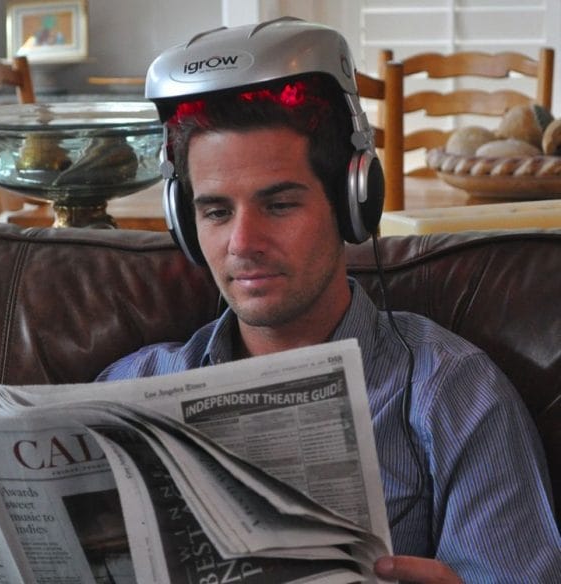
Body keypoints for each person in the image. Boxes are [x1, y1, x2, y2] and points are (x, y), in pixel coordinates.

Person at [97, 18, 561, 582]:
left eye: (279, 205)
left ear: (352, 203)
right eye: (216, 212)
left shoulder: (454, 393)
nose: (242, 244)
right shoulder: (126, 392)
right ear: (185, 223)